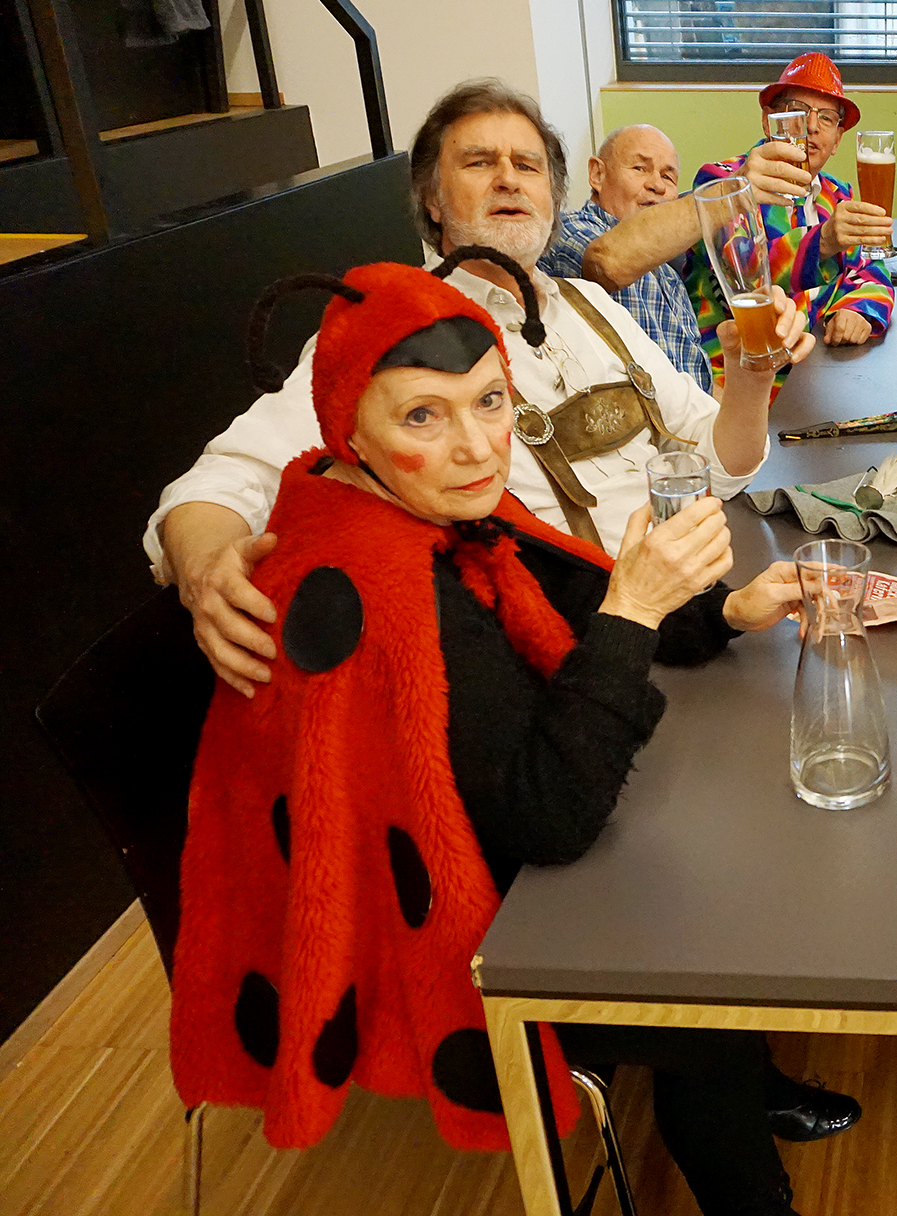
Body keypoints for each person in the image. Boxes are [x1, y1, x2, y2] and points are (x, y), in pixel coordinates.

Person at [168, 248, 849, 1216]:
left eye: (489, 402)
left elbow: (567, 601)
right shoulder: (375, 584)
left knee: (716, 866)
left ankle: (739, 1093)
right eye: (422, 416)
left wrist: (725, 611)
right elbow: (549, 815)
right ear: (345, 431)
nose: (476, 447)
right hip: (449, 935)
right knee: (710, 978)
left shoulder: (426, 507)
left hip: (495, 827)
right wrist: (634, 610)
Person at [143, 78, 812, 698]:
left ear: (553, 196)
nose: (508, 179)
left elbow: (717, 464)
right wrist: (205, 566)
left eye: (527, 166)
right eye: (478, 162)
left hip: (702, 609)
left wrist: (751, 377)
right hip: (576, 664)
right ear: (432, 201)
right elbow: (228, 478)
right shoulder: (390, 328)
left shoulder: (590, 306)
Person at [541, 122, 808, 394]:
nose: (657, 185)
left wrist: (756, 374)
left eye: (668, 177)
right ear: (597, 174)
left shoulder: (669, 273)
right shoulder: (568, 230)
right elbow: (606, 263)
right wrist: (728, 193)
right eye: (639, 168)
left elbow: (700, 394)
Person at [686, 51, 894, 393]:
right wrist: (823, 243)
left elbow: (870, 266)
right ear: (769, 120)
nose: (811, 126)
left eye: (826, 118)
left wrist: (858, 309)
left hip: (812, 379)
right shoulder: (722, 182)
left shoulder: (837, 194)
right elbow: (745, 277)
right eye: (797, 110)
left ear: (837, 140)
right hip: (733, 384)